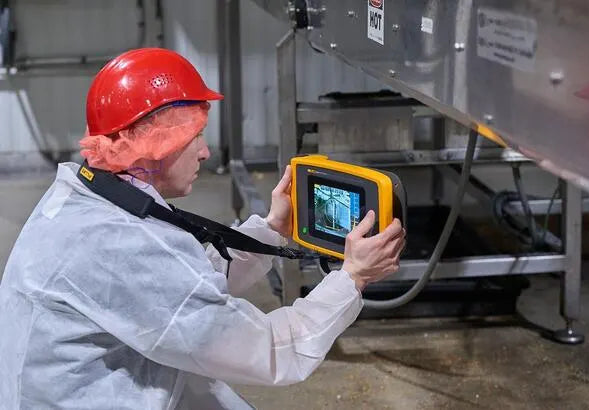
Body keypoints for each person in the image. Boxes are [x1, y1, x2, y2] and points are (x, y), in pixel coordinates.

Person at [0, 48, 405, 409]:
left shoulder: (88, 197)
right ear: (153, 144)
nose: (205, 151)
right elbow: (273, 351)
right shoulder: (121, 245)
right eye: (194, 136)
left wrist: (271, 229)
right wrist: (352, 278)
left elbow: (181, 287)